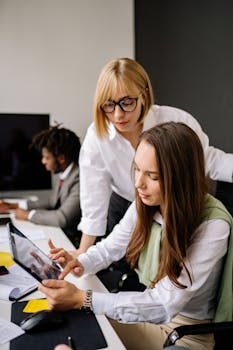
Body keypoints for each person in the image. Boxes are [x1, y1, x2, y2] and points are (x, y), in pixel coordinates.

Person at [39, 122, 233, 350]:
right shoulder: (147, 203)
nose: (138, 183)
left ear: (182, 178)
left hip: (187, 336)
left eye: (152, 176)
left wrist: (84, 298)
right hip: (149, 319)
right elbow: (111, 246)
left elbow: (164, 303)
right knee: (70, 329)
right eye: (137, 169)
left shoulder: (213, 225)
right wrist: (80, 261)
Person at [76, 57, 233, 257]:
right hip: (129, 207)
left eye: (126, 102)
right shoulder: (97, 137)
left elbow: (209, 160)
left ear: (144, 94)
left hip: (175, 206)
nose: (117, 115)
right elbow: (94, 197)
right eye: (108, 105)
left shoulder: (176, 120)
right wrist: (82, 252)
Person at [0, 125, 81, 246]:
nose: (43, 161)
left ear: (61, 158)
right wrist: (15, 205)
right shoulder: (66, 174)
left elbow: (62, 218)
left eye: (46, 157)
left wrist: (28, 215)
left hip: (74, 241)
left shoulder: (79, 178)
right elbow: (51, 201)